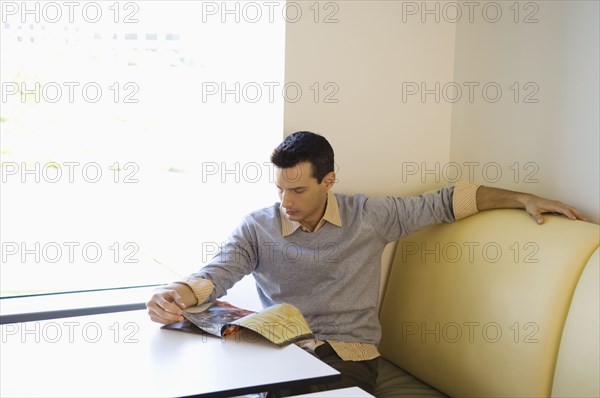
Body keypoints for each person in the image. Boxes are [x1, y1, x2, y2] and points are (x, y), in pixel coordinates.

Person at [146, 131, 586, 395]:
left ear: (329, 181)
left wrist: (523, 198)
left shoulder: (370, 217)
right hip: (283, 351)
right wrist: (175, 296)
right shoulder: (258, 226)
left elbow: (448, 201)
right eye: (280, 189)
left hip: (347, 355)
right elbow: (217, 272)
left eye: (298, 190)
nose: (286, 201)